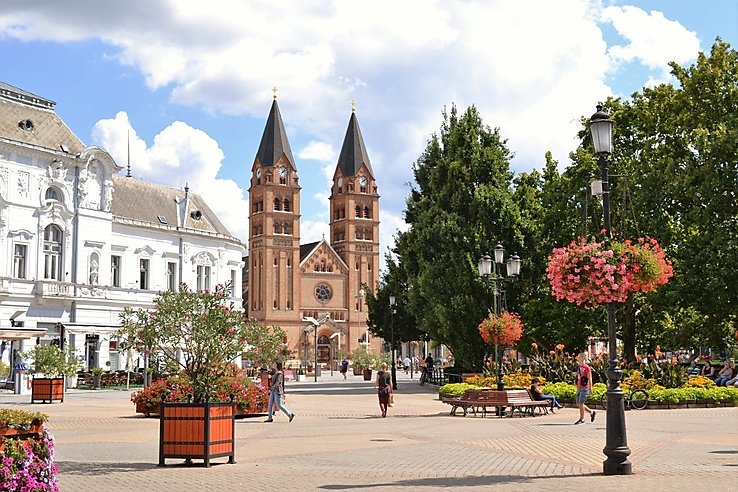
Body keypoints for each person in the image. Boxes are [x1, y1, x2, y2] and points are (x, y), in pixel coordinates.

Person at [574, 353, 595, 425]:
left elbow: (590, 377)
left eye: (579, 357)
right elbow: (578, 376)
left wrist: (590, 388)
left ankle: (582, 419)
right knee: (578, 404)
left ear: (583, 358)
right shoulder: (578, 367)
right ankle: (591, 412)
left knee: (581, 403)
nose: (577, 358)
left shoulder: (587, 367)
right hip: (579, 386)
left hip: (585, 387)